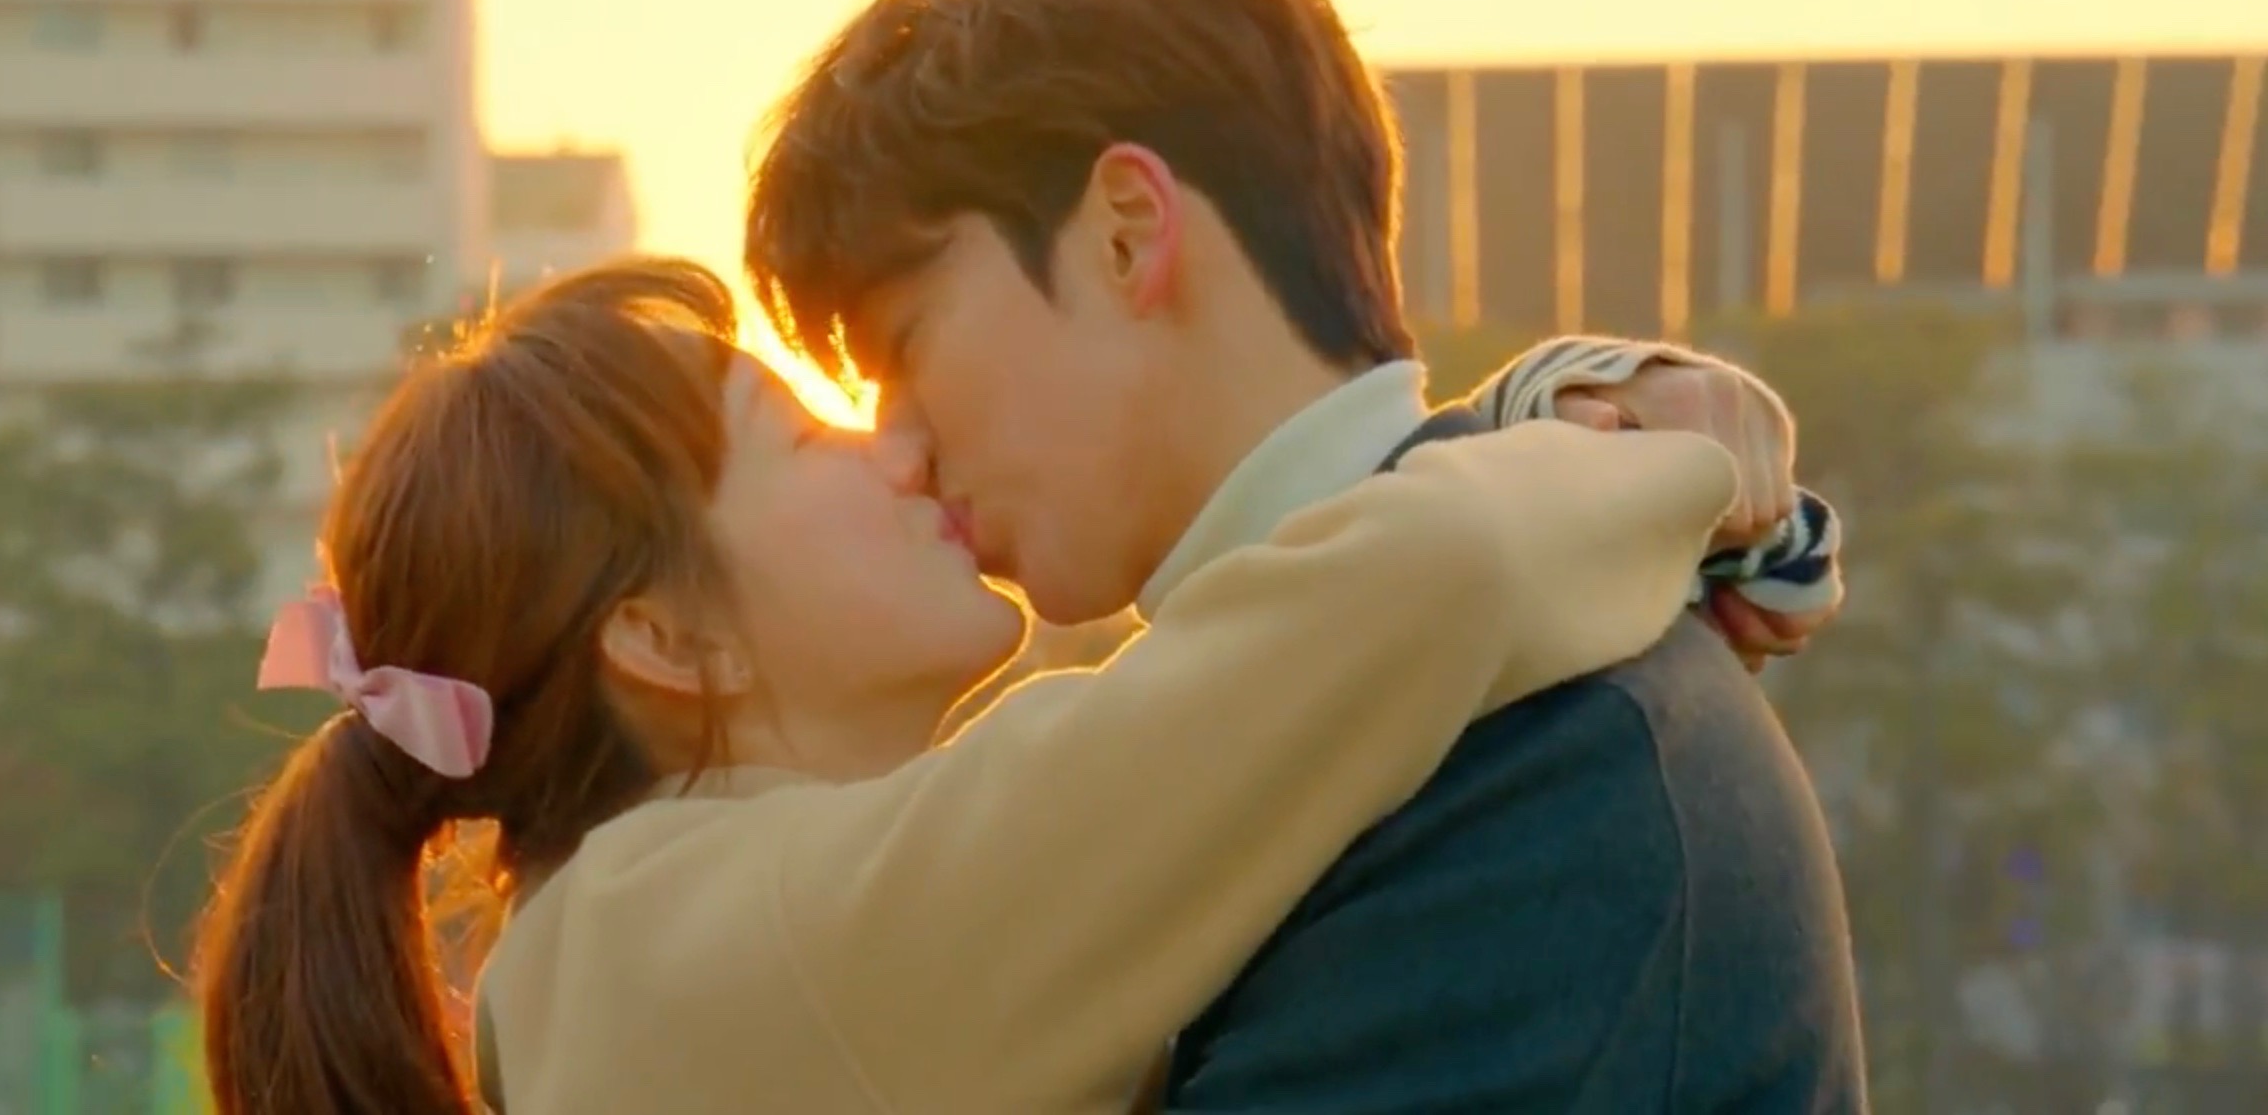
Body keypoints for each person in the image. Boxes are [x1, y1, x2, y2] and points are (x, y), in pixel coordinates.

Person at [189, 259, 1823, 1115]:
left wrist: (1556, 410)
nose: (897, 448)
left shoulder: (652, 943)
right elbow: (1423, 581)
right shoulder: (735, 942)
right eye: (805, 435)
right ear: (669, 643)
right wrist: (1661, 456)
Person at [744, 0, 1868, 1110]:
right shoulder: (1406, 701)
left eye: (906, 342)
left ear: (1127, 234)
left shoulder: (1535, 752)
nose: (897, 451)